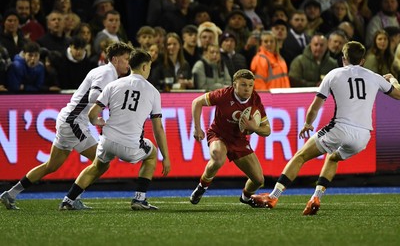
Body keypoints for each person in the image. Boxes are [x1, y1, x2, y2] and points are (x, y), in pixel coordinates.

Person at [253, 41, 400, 215]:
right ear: (362, 60)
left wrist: (308, 123)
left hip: (340, 128)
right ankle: (316, 197)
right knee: (333, 158)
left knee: (300, 156)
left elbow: (316, 106)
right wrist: (393, 79)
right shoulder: (374, 76)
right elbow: (398, 94)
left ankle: (273, 196)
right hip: (363, 135)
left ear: (343, 58)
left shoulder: (333, 74)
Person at [0, 42, 134, 210]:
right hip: (73, 122)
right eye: (126, 59)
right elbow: (94, 95)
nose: (129, 63)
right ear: (115, 59)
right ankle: (70, 200)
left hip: (71, 119)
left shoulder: (106, 72)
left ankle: (10, 194)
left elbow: (90, 99)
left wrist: (94, 119)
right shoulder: (108, 72)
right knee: (102, 161)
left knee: (52, 166)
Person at [59, 48, 171, 210]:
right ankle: (139, 199)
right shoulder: (153, 92)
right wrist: (165, 156)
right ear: (145, 67)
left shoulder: (113, 85)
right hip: (130, 145)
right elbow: (158, 128)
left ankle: (68, 200)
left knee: (97, 166)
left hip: (107, 140)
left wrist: (96, 121)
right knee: (151, 154)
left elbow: (92, 113)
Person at [190, 69, 271, 207]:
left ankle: (245, 198)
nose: (248, 89)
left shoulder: (255, 100)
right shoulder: (223, 95)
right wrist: (197, 128)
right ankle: (202, 187)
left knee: (258, 180)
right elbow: (197, 102)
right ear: (234, 85)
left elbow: (267, 130)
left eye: (251, 85)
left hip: (239, 140)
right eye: (243, 85)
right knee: (218, 157)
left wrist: (255, 127)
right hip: (218, 134)